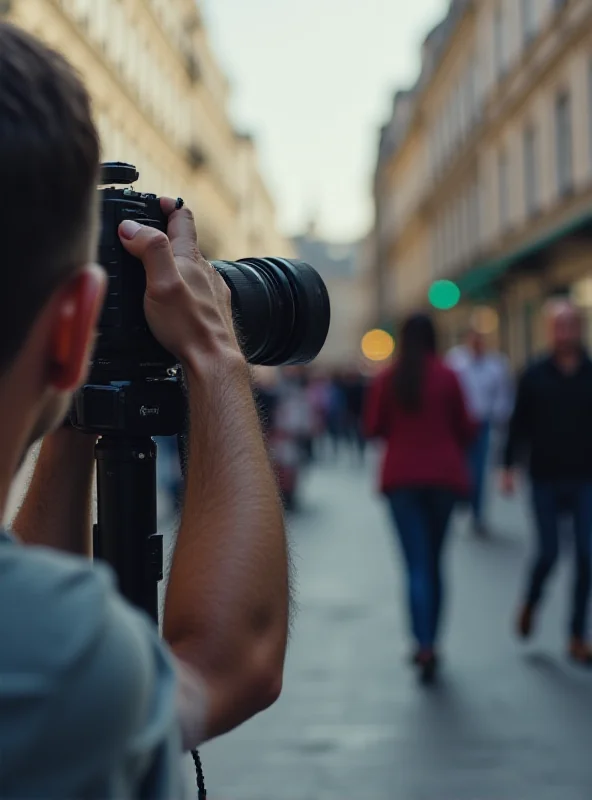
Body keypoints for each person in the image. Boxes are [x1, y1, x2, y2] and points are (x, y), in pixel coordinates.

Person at [0, 24, 289, 797]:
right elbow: (226, 667)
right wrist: (215, 351)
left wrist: (82, 385)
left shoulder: (38, 637)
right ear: (71, 330)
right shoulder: (52, 665)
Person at [365, 314, 475, 684]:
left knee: (415, 565)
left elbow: (373, 427)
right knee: (435, 560)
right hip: (443, 478)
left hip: (401, 480)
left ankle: (421, 644)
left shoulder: (388, 378)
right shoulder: (448, 376)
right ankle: (434, 641)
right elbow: (466, 426)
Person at [502, 300, 592, 666]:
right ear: (549, 330)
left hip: (586, 477)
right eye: (559, 325)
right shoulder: (534, 374)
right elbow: (518, 424)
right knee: (550, 552)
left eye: (571, 324)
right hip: (544, 478)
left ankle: (575, 634)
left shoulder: (590, 372)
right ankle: (532, 600)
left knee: (588, 555)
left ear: (580, 328)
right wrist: (507, 467)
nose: (565, 332)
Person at [447, 325, 513, 536]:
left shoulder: (496, 364)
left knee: (479, 468)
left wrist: (499, 417)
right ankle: (461, 500)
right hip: (460, 424)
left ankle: (477, 512)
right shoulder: (456, 362)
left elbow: (503, 396)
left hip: (482, 422)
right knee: (462, 466)